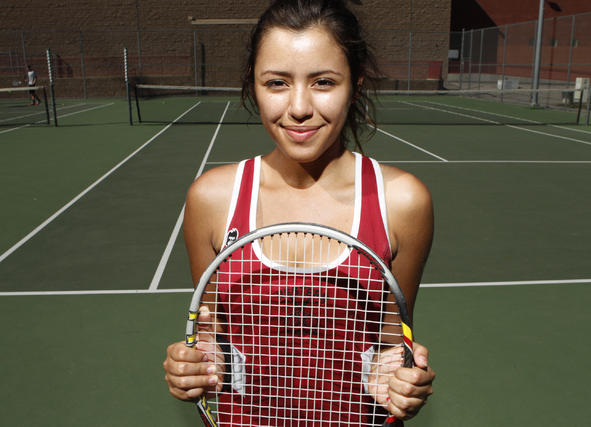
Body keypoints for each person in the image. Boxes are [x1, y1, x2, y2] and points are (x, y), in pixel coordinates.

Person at [163, 0, 435, 423]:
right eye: (276, 83)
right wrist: (190, 368)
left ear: (356, 83)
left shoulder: (402, 201)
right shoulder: (211, 197)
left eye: (324, 82)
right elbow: (212, 333)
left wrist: (399, 378)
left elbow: (391, 337)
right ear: (252, 85)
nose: (299, 107)